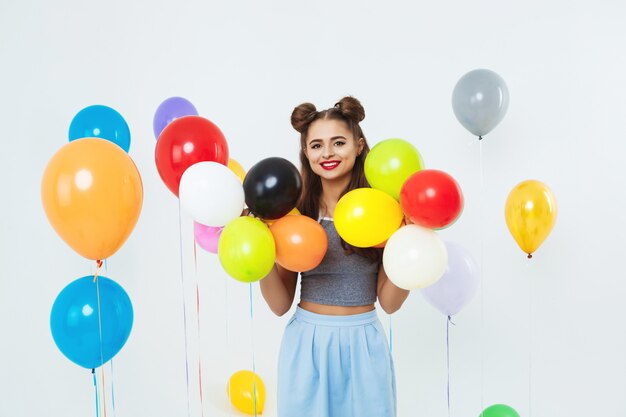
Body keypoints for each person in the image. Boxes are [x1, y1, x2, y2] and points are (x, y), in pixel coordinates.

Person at [259, 96, 410, 417]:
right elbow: (279, 305)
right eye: (316, 145)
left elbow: (391, 303)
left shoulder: (383, 212)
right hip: (307, 343)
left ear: (358, 146)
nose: (327, 153)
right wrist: (259, 247)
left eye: (338, 142)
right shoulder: (293, 214)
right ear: (305, 153)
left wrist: (406, 245)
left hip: (364, 341)